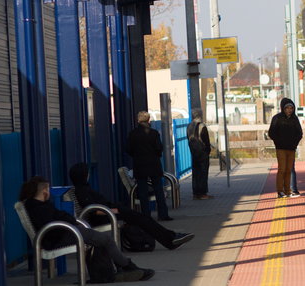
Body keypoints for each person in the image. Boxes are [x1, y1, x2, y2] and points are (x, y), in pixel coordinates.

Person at [19, 176, 155, 281]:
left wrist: (69, 220)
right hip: (59, 237)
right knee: (105, 240)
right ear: (43, 191)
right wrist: (70, 221)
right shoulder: (39, 208)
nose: (49, 192)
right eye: (47, 189)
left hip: (63, 232)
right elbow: (56, 219)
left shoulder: (38, 205)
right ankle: (127, 266)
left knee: (99, 240)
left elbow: (59, 217)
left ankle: (109, 273)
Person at [68, 163, 194, 250]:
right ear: (83, 175)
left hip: (112, 212)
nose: (88, 174)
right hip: (108, 215)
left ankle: (171, 238)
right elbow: (93, 211)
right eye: (86, 172)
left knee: (144, 219)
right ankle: (170, 239)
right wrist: (115, 211)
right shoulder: (82, 191)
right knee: (143, 219)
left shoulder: (84, 188)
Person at [126, 111, 171, 220]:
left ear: (138, 120)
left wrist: (137, 156)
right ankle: (163, 215)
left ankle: (146, 216)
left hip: (140, 165)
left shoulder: (133, 134)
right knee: (158, 190)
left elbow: (128, 149)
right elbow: (159, 148)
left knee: (142, 191)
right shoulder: (154, 133)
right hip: (154, 164)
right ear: (148, 120)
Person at [267, 98, 303, 198]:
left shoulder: (294, 119)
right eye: (287, 108)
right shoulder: (277, 118)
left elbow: (299, 133)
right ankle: (280, 191)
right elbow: (271, 133)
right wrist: (278, 142)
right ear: (283, 108)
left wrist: (294, 144)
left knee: (289, 169)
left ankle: (288, 191)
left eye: (291, 108)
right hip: (280, 148)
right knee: (281, 169)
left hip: (291, 148)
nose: (289, 110)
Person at [187, 108, 213, 200]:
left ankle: (195, 193)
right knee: (203, 173)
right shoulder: (202, 126)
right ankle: (203, 193)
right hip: (202, 152)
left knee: (195, 173)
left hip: (194, 152)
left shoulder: (189, 126)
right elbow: (206, 140)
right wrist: (207, 151)